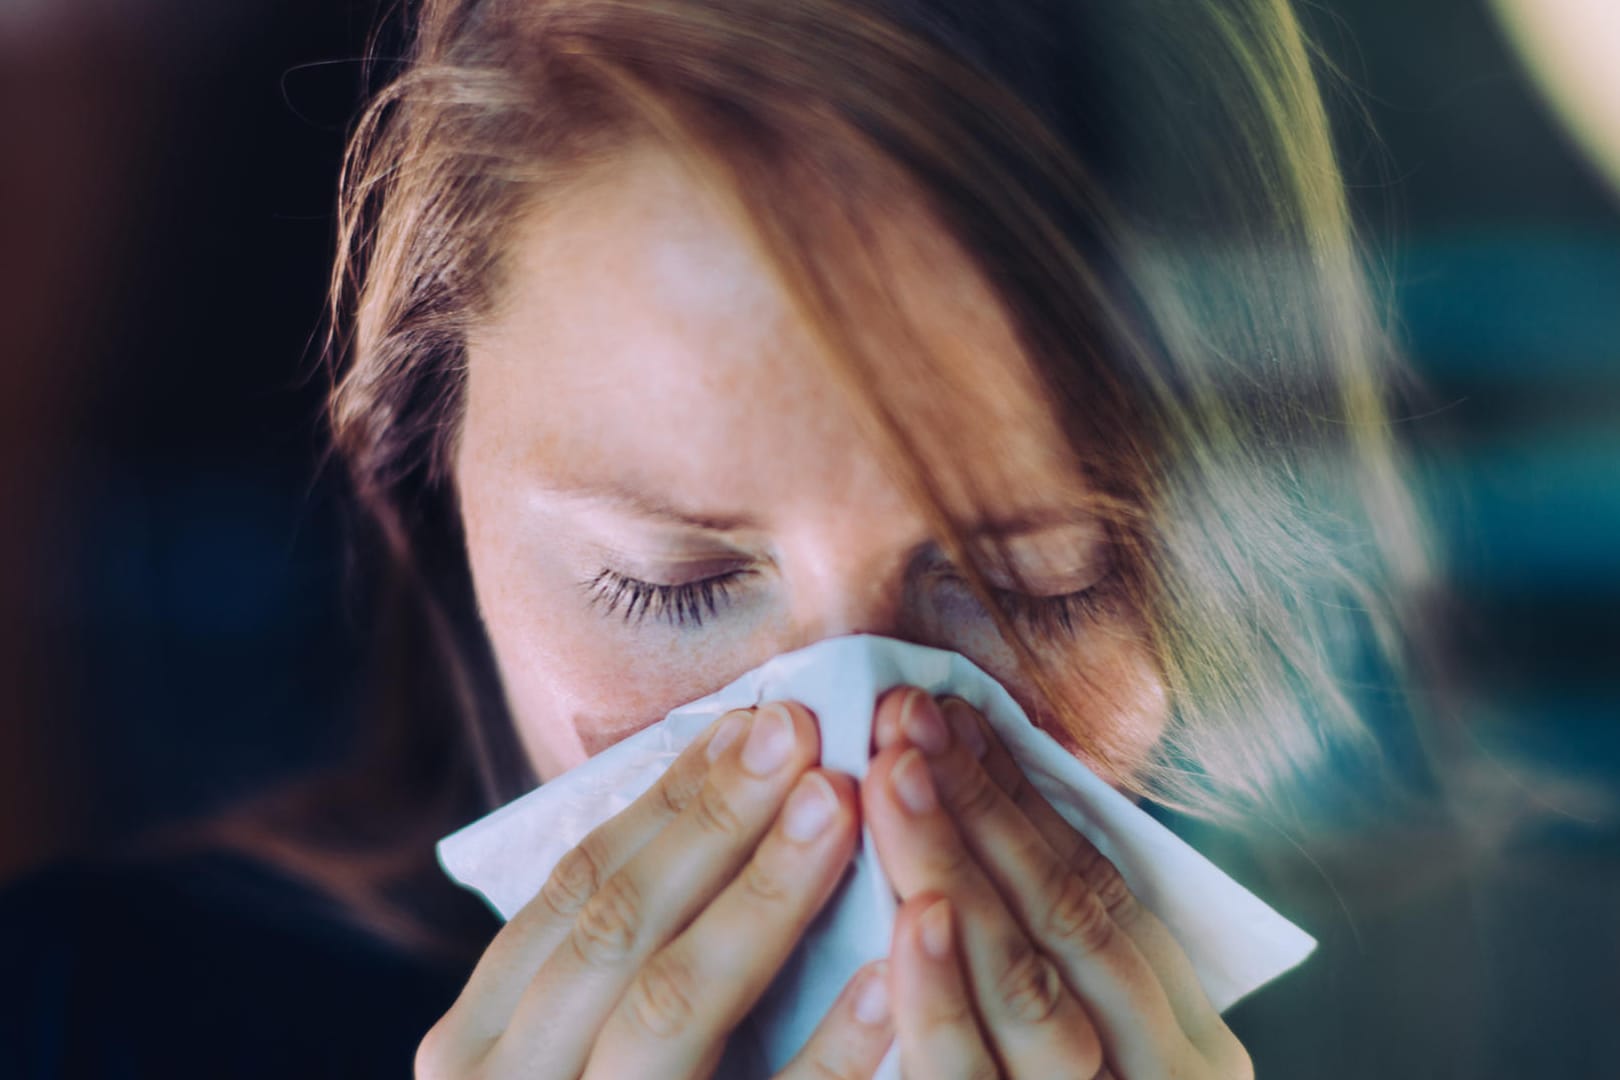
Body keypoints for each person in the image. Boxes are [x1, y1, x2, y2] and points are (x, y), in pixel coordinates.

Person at [2, 0, 1463, 1077]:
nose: (852, 751)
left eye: (1039, 589)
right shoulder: (68, 1023)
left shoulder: (1476, 1019)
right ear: (427, 507)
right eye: (671, 584)